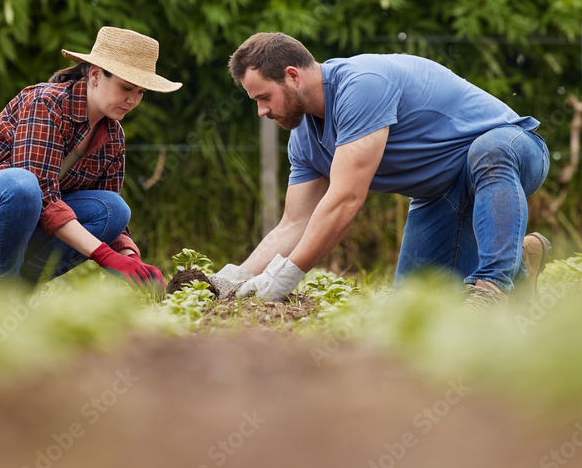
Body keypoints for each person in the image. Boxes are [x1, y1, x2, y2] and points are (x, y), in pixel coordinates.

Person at [209, 32, 551, 309]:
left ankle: (492, 285)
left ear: (293, 76)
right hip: (442, 194)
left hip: (513, 152)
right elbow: (293, 223)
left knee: (487, 150)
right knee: (411, 308)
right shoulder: (303, 137)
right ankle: (519, 260)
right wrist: (235, 277)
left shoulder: (362, 85)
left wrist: (284, 277)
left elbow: (346, 199)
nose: (262, 111)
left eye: (264, 97)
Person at [0, 27, 181, 292]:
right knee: (24, 185)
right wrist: (104, 255)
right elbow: (41, 195)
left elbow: (106, 211)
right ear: (95, 75)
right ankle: (4, 294)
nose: (133, 100)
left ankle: (16, 296)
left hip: (10, 241)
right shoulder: (47, 102)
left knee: (115, 210)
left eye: (140, 93)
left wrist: (130, 258)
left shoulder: (113, 136)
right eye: (126, 88)